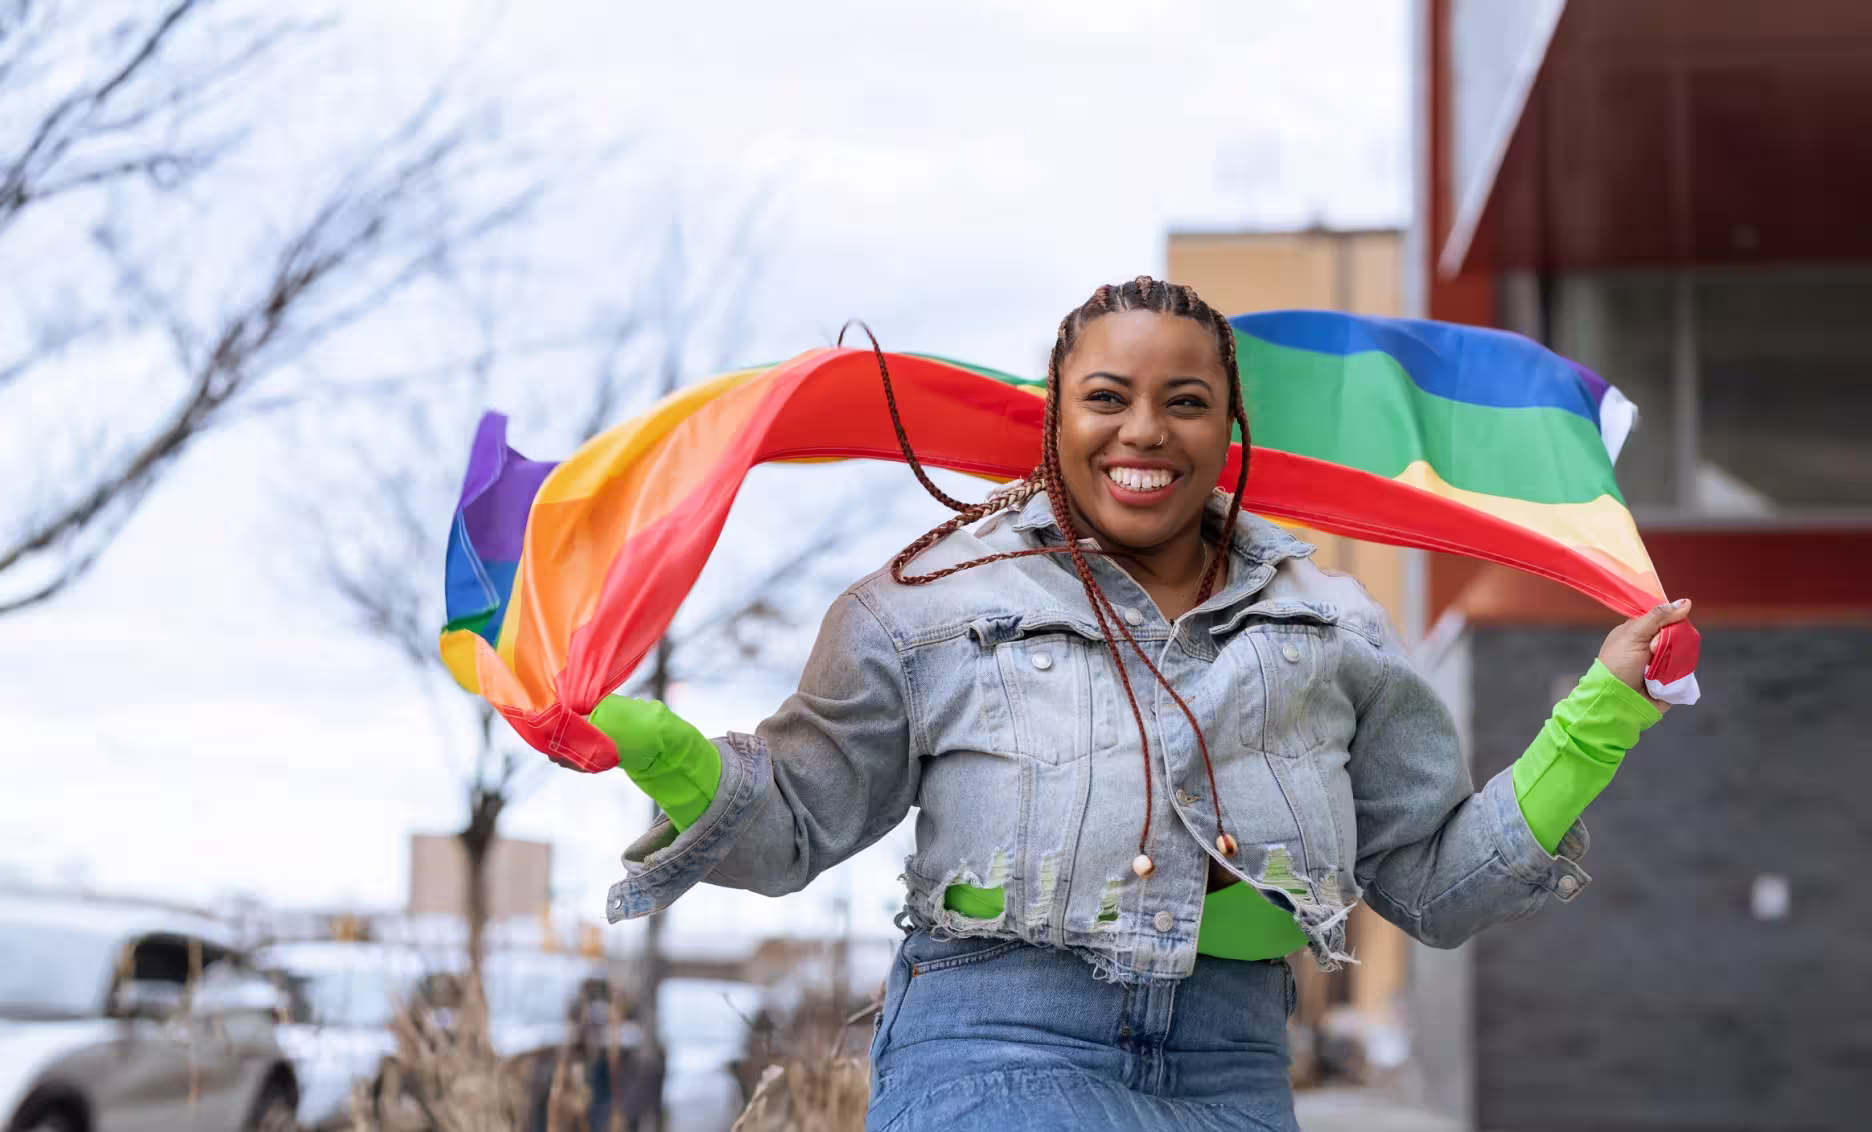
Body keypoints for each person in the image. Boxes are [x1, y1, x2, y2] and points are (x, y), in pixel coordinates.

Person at [584, 277, 1690, 1132]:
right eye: (1106, 398)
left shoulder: (1334, 626)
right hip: (997, 1051)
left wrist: (1601, 713)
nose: (1144, 431)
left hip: (1237, 1065)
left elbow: (1439, 886)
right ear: (1053, 419)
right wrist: (677, 758)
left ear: (1230, 426)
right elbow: (792, 827)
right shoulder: (925, 606)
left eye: (1185, 401)